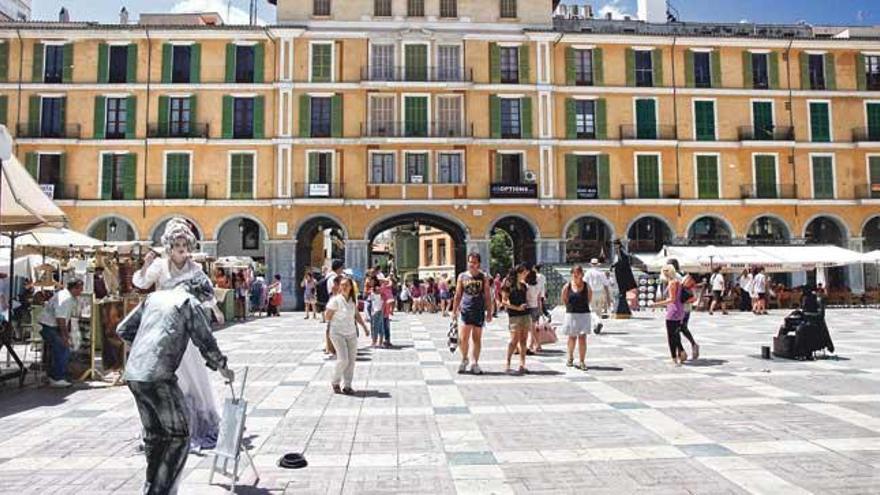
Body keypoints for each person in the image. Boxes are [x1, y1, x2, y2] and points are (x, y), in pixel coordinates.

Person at [117, 273, 234, 495]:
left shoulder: (154, 298)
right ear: (200, 294)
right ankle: (162, 491)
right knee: (178, 436)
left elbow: (123, 329)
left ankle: (151, 486)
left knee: (155, 436)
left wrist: (145, 349)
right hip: (159, 376)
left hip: (134, 373)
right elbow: (206, 340)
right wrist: (223, 367)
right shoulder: (189, 303)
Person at [132, 217, 224, 451]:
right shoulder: (159, 266)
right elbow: (142, 283)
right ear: (169, 248)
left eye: (184, 247)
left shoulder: (196, 269)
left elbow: (207, 293)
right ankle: (165, 422)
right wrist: (145, 264)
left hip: (186, 328)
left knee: (190, 374)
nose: (181, 251)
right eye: (177, 247)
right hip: (163, 328)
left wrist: (216, 309)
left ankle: (193, 422)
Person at [325, 277, 369, 395]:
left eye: (346, 285)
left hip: (351, 333)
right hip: (337, 333)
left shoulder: (352, 300)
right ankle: (335, 381)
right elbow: (327, 316)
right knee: (343, 359)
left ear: (351, 287)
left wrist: (364, 327)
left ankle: (347, 385)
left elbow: (356, 314)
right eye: (342, 285)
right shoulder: (335, 300)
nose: (344, 287)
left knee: (351, 361)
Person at [451, 252, 493, 375]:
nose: (472, 264)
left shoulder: (483, 276)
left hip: (478, 310)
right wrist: (454, 310)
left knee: (477, 338)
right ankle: (464, 358)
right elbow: (458, 295)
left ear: (478, 263)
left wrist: (489, 311)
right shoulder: (462, 276)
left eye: (474, 262)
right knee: (463, 339)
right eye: (470, 262)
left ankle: (475, 363)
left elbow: (487, 295)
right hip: (465, 310)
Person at [38, 279, 84, 388]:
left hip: (51, 326)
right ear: (74, 288)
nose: (81, 292)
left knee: (59, 349)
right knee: (63, 349)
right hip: (49, 326)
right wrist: (65, 336)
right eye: (80, 289)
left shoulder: (68, 297)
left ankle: (54, 375)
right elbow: (60, 319)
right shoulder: (65, 298)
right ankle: (57, 377)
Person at [653, 264, 687, 366]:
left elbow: (671, 299)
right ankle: (682, 352)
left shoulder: (672, 283)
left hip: (673, 311)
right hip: (680, 310)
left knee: (671, 336)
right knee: (676, 334)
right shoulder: (678, 282)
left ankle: (674, 358)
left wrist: (656, 304)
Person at [501, 265, 531, 375]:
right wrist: (517, 307)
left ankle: (522, 365)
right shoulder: (508, 285)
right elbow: (503, 302)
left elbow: (526, 298)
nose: (526, 274)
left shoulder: (524, 285)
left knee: (524, 340)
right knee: (514, 340)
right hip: (514, 316)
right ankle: (507, 364)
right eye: (524, 272)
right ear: (518, 273)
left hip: (525, 314)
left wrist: (526, 305)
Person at [561, 265, 591, 370]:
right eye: (574, 273)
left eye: (578, 273)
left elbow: (589, 299)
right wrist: (569, 307)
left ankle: (582, 361)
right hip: (571, 314)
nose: (576, 275)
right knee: (572, 337)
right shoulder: (567, 286)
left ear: (582, 274)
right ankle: (570, 357)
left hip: (584, 314)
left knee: (582, 338)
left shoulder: (586, 286)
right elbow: (564, 299)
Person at [585, 258, 611, 334]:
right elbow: (606, 285)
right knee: (598, 310)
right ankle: (596, 326)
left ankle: (597, 322)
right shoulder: (601, 273)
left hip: (591, 292)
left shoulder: (588, 272)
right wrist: (608, 296)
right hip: (600, 292)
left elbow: (584, 283)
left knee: (591, 310)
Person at [679, 273, 701, 361]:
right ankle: (691, 346)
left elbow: (694, 299)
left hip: (685, 309)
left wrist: (684, 301)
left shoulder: (692, 287)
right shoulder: (682, 279)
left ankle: (691, 346)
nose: (687, 280)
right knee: (681, 328)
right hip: (680, 309)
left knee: (682, 328)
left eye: (690, 279)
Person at [525, 267, 544, 354]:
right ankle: (536, 344)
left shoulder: (527, 287)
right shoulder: (538, 286)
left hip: (529, 308)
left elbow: (525, 298)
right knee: (534, 327)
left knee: (531, 328)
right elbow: (539, 298)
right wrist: (540, 309)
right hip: (536, 307)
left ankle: (533, 344)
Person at [366, 277, 385, 348]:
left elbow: (381, 297)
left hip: (377, 310)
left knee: (375, 327)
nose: (369, 282)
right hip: (375, 309)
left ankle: (375, 342)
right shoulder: (373, 289)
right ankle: (379, 342)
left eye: (370, 281)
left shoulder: (377, 289)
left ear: (374, 281)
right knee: (379, 326)